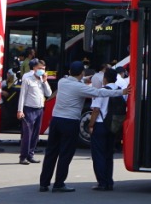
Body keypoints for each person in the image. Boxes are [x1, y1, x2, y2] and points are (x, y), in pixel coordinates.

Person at [37, 60, 127, 193]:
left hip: (56, 120)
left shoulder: (62, 82)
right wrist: (122, 92)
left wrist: (85, 77)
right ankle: (59, 183)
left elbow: (75, 78)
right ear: (82, 73)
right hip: (70, 122)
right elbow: (100, 93)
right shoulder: (81, 88)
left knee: (51, 153)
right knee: (65, 154)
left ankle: (44, 184)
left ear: (69, 72)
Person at [89, 65, 125, 190]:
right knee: (109, 155)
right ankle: (109, 181)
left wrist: (90, 124)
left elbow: (96, 110)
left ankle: (102, 182)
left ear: (105, 79)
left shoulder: (102, 91)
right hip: (114, 126)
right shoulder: (120, 90)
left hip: (100, 125)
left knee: (98, 154)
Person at [16, 57, 51, 164]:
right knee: (27, 134)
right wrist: (20, 110)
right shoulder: (28, 79)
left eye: (44, 68)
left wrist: (45, 82)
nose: (42, 70)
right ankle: (23, 157)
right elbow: (22, 96)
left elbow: (49, 94)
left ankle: (31, 155)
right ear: (35, 68)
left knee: (36, 134)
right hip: (29, 109)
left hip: (39, 109)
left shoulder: (41, 80)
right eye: (40, 68)